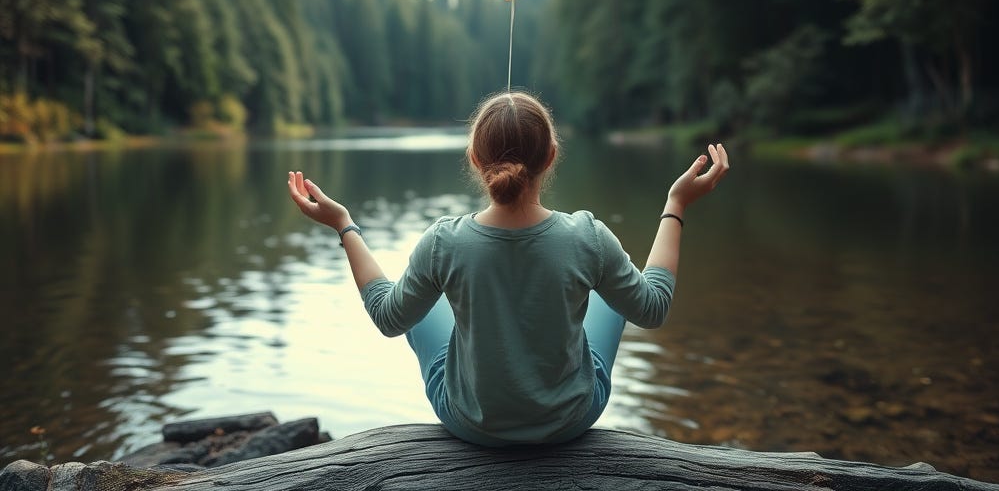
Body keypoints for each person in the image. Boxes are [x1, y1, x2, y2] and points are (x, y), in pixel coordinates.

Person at [287, 90, 729, 447]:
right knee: (610, 295)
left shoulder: (445, 242)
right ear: (552, 156)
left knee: (418, 307)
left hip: (472, 424)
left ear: (476, 160)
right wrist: (676, 205)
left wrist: (344, 224)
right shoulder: (586, 236)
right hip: (570, 420)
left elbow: (387, 317)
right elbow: (652, 309)